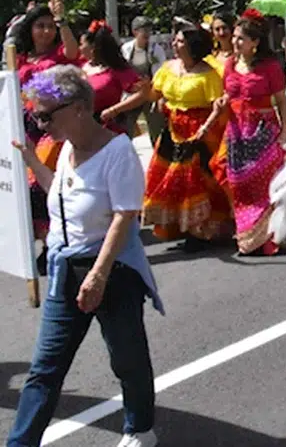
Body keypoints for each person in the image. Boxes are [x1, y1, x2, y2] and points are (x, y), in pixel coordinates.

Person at [8, 66, 162, 447]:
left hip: (112, 271)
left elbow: (125, 216)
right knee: (44, 370)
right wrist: (31, 160)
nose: (41, 124)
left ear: (78, 108)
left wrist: (98, 274)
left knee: (126, 358)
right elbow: (61, 195)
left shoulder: (118, 152)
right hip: (66, 270)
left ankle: (140, 428)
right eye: (37, 116)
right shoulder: (67, 149)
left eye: (46, 116)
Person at [143, 24, 235, 247]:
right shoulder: (168, 68)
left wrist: (205, 128)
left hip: (200, 133)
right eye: (175, 40)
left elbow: (218, 107)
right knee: (171, 178)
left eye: (180, 41)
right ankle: (178, 226)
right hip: (173, 130)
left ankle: (201, 231)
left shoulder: (209, 74)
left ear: (193, 46)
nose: (174, 44)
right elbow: (153, 93)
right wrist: (149, 95)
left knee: (196, 180)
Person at [211, 10, 286, 255]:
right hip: (236, 131)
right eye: (234, 37)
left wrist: (284, 130)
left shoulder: (270, 66)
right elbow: (227, 94)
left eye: (240, 38)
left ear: (255, 42)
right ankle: (247, 235)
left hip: (262, 130)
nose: (234, 41)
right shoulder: (230, 65)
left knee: (262, 184)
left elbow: (281, 101)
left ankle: (266, 238)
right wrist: (221, 102)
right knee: (238, 183)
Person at [80, 22, 151, 136]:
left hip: (106, 129)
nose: (80, 48)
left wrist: (114, 110)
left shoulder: (116, 69)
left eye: (82, 44)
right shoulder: (83, 66)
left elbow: (142, 94)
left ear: (93, 47)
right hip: (81, 127)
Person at [121, 17, 168, 144]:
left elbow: (161, 72)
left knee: (157, 129)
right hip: (132, 93)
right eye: (144, 30)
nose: (147, 33)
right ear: (135, 32)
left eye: (149, 30)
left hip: (151, 93)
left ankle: (158, 152)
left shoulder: (156, 49)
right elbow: (122, 71)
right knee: (126, 127)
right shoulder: (126, 49)